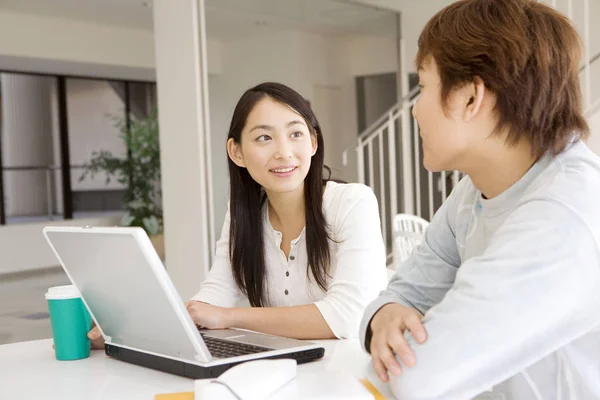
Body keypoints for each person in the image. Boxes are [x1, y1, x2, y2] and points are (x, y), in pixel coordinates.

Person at [360, 0, 600, 399]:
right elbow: (401, 295)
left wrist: (394, 342)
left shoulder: (567, 212)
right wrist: (385, 318)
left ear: (472, 98)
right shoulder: (473, 192)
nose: (415, 110)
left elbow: (419, 377)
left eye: (422, 87)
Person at [87, 82, 387, 349]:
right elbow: (216, 292)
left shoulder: (352, 202)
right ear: (236, 152)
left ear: (313, 141)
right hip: (285, 371)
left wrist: (228, 317)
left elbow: (349, 316)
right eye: (264, 138)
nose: (284, 152)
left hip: (350, 374)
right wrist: (133, 327)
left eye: (295, 133)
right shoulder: (246, 213)